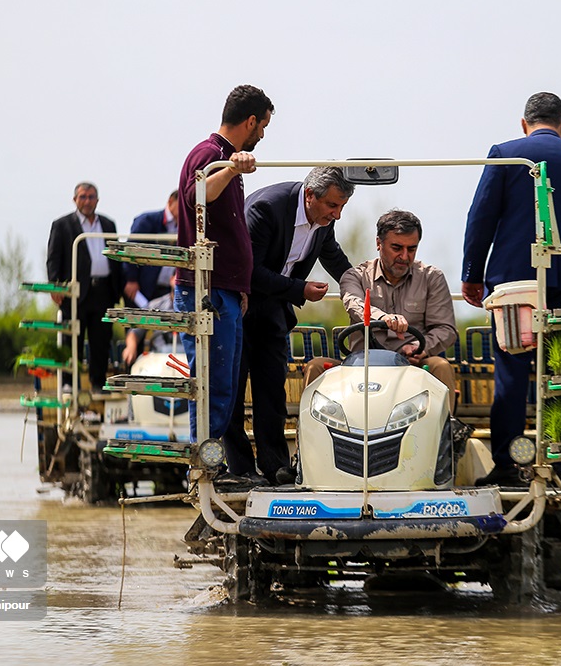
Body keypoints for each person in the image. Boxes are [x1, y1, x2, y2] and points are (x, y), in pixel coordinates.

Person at [461, 91, 561, 487]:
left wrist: (472, 274)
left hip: (516, 284)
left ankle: (509, 465)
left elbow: (482, 217)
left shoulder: (506, 153)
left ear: (524, 123)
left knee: (512, 370)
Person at [228, 167, 354, 485]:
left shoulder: (324, 221)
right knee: (232, 389)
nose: (336, 215)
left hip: (274, 309)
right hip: (238, 306)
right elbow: (250, 272)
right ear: (310, 196)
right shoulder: (266, 208)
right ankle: (240, 468)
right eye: (332, 206)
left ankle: (275, 467)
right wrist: (300, 290)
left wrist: (364, 288)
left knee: (272, 389)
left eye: (341, 207)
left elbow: (335, 259)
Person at [174, 84, 274, 453]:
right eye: (262, 126)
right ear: (250, 122)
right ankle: (203, 461)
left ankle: (212, 459)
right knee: (211, 381)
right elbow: (197, 194)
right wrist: (230, 169)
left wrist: (242, 286)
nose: (262, 135)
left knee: (225, 382)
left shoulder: (226, 158)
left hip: (225, 289)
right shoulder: (210, 155)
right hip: (205, 289)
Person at [303, 209, 457, 407]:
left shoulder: (431, 277)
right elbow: (354, 304)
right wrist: (385, 319)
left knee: (441, 366)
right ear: (378, 243)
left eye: (411, 249)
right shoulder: (354, 276)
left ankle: (446, 432)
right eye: (396, 247)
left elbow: (446, 329)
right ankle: (309, 436)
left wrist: (421, 347)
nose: (404, 256)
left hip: (413, 368)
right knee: (315, 367)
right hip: (359, 368)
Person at [46, 182, 122, 393]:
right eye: (83, 197)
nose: (87, 201)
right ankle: (70, 384)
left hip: (103, 290)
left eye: (91, 197)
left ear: (97, 200)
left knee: (101, 341)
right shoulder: (62, 225)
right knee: (72, 340)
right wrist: (55, 286)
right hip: (75, 292)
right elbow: (53, 258)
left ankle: (98, 384)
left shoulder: (107, 224)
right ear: (75, 199)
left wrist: (119, 288)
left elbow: (115, 257)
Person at [123, 191, 178, 308]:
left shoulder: (186, 226)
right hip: (144, 288)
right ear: (171, 201)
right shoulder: (147, 220)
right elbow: (130, 249)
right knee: (138, 325)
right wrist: (131, 280)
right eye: (183, 203)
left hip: (170, 291)